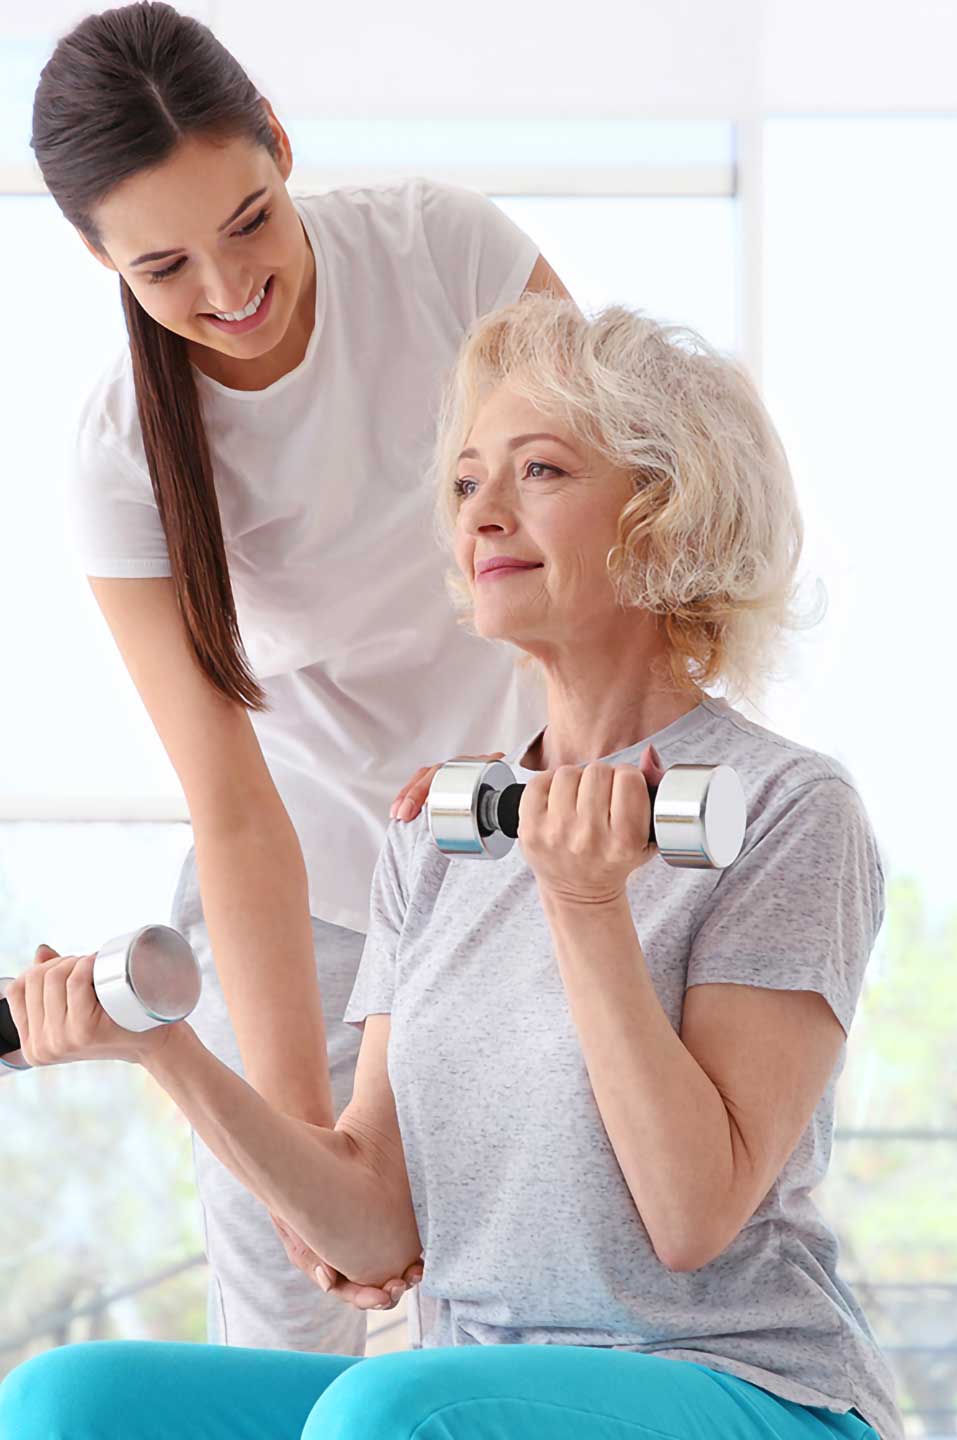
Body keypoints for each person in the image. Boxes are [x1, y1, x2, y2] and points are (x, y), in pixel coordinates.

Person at [0, 295, 903, 1440]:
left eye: (541, 472)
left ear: (664, 518)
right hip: (459, 1386)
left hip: (737, 1384)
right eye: (469, 481)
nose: (483, 513)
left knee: (390, 1412)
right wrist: (164, 1051)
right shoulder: (446, 829)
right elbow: (377, 1229)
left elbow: (690, 1216)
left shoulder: (784, 809)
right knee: (73, 1400)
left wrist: (586, 904)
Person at [29, 1, 564, 1354]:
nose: (227, 290)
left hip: (525, 849)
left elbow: (619, 523)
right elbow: (232, 804)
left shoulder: (449, 253)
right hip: (306, 890)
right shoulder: (118, 456)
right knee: (288, 1312)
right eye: (163, 266)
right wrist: (294, 1138)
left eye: (252, 219)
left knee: (509, 1293)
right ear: (96, 257)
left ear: (279, 142)